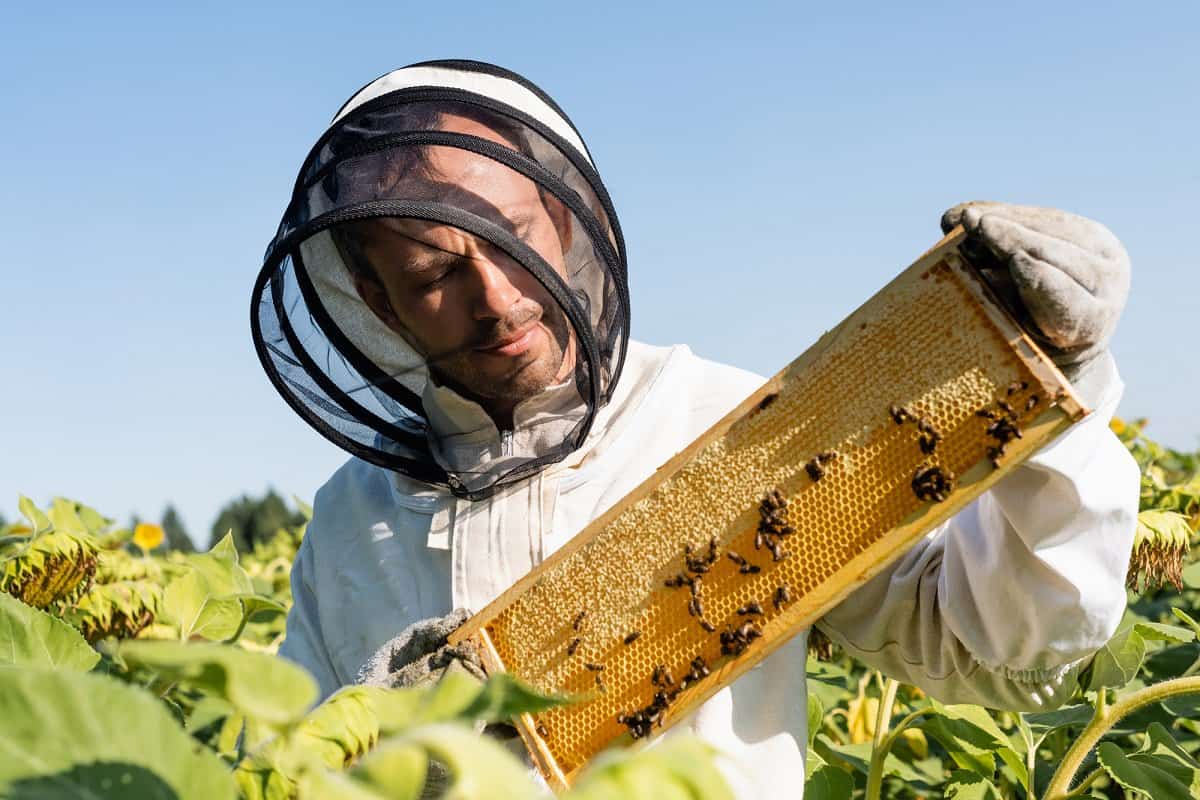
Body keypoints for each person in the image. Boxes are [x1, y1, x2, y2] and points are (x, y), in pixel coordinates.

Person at [251, 60, 1139, 797]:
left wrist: (1052, 396)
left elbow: (996, 649)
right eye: (434, 273)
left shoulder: (728, 425)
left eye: (512, 236)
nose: (495, 297)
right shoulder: (349, 521)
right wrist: (372, 736)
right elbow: (288, 766)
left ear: (562, 218)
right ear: (376, 301)